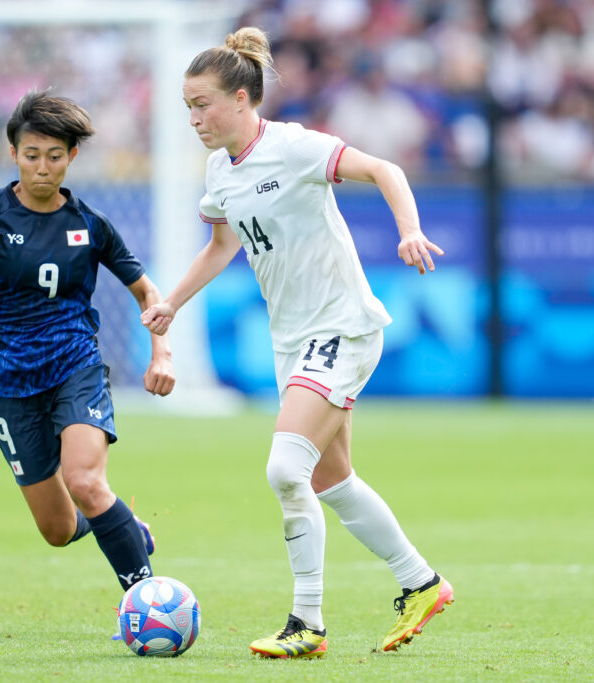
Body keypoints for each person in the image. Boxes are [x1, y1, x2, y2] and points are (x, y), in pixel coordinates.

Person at [140, 27, 453, 658]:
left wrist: (409, 231)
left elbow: (384, 168)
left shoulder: (295, 147)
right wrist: (172, 300)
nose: (194, 117)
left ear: (240, 97)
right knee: (333, 480)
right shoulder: (219, 169)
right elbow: (222, 246)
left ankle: (306, 622)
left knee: (287, 470)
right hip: (295, 341)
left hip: (341, 326)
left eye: (202, 104)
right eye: (187, 107)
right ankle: (422, 582)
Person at [0, 90, 175, 598]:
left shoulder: (91, 225)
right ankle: (119, 525)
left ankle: (147, 600)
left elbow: (146, 290)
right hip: (9, 383)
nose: (42, 167)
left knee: (85, 480)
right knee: (57, 530)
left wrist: (161, 351)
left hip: (75, 365)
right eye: (31, 155)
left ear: (71, 158)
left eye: (54, 157)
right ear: (13, 154)